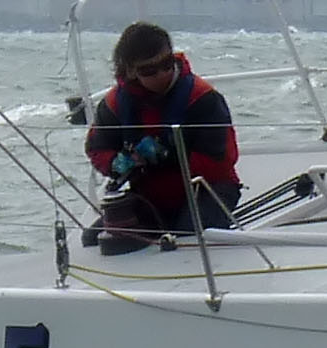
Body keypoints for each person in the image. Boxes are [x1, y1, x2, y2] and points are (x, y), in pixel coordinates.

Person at [84, 21, 238, 244]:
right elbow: (97, 148)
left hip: (208, 189)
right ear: (130, 70)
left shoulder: (203, 98)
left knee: (187, 236)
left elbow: (222, 160)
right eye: (149, 70)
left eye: (167, 64)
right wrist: (119, 163)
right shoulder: (113, 105)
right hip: (150, 197)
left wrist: (167, 156)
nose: (162, 74)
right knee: (94, 240)